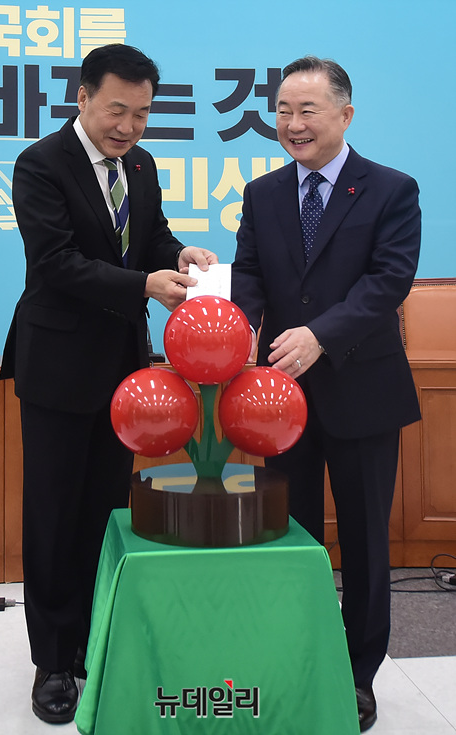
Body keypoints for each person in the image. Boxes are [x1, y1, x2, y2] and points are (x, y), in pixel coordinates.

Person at [0, 43, 217, 724]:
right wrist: (143, 285)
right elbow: (56, 262)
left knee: (102, 511)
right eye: (117, 110)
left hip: (123, 369)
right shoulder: (41, 164)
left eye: (142, 114)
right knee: (54, 515)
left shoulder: (141, 166)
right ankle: (51, 659)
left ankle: (92, 638)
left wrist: (178, 253)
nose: (128, 127)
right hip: (58, 367)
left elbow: (149, 239)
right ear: (83, 98)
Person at [231, 56, 421, 732]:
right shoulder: (263, 193)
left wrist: (319, 334)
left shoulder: (391, 189)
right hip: (279, 397)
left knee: (366, 542)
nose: (292, 123)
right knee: (292, 533)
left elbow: (388, 281)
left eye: (307, 110)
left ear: (345, 114)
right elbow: (249, 272)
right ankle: (297, 654)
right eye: (283, 110)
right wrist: (241, 329)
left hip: (363, 389)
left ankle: (358, 673)